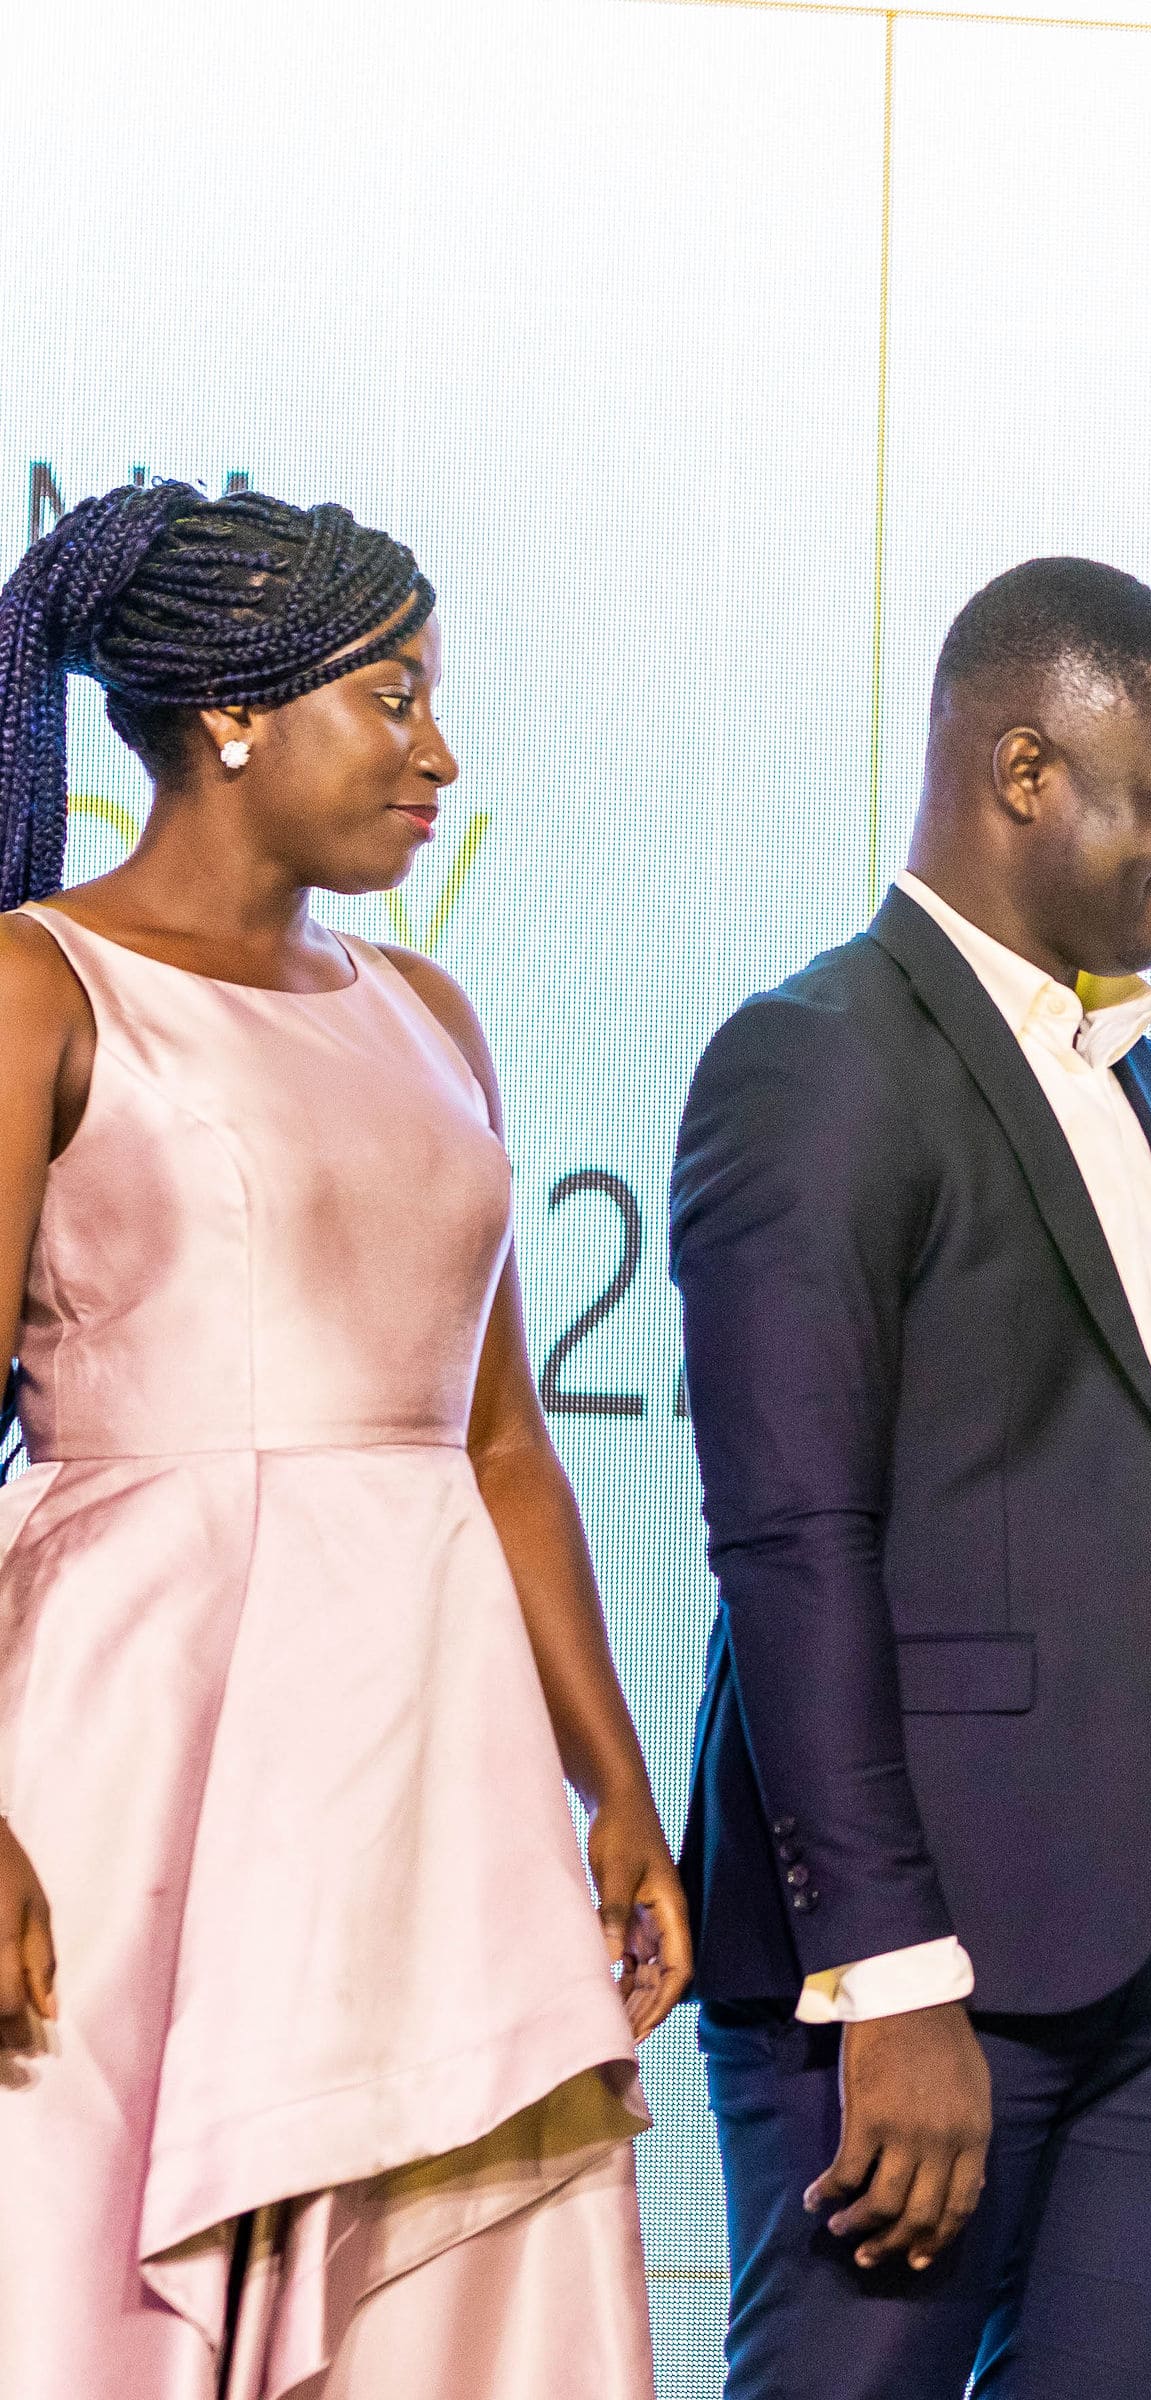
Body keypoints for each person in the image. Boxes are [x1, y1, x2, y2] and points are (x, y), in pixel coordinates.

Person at [0, 482, 685, 2397]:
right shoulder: (38, 986)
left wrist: (615, 1791)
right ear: (233, 714)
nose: (437, 753)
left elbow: (505, 1448)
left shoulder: (431, 1014)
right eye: (393, 698)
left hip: (426, 1785)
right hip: (133, 1760)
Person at [672, 556, 1151, 2399]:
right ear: (1024, 771)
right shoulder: (813, 1065)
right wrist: (890, 1973)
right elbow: (790, 1546)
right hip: (911, 1971)